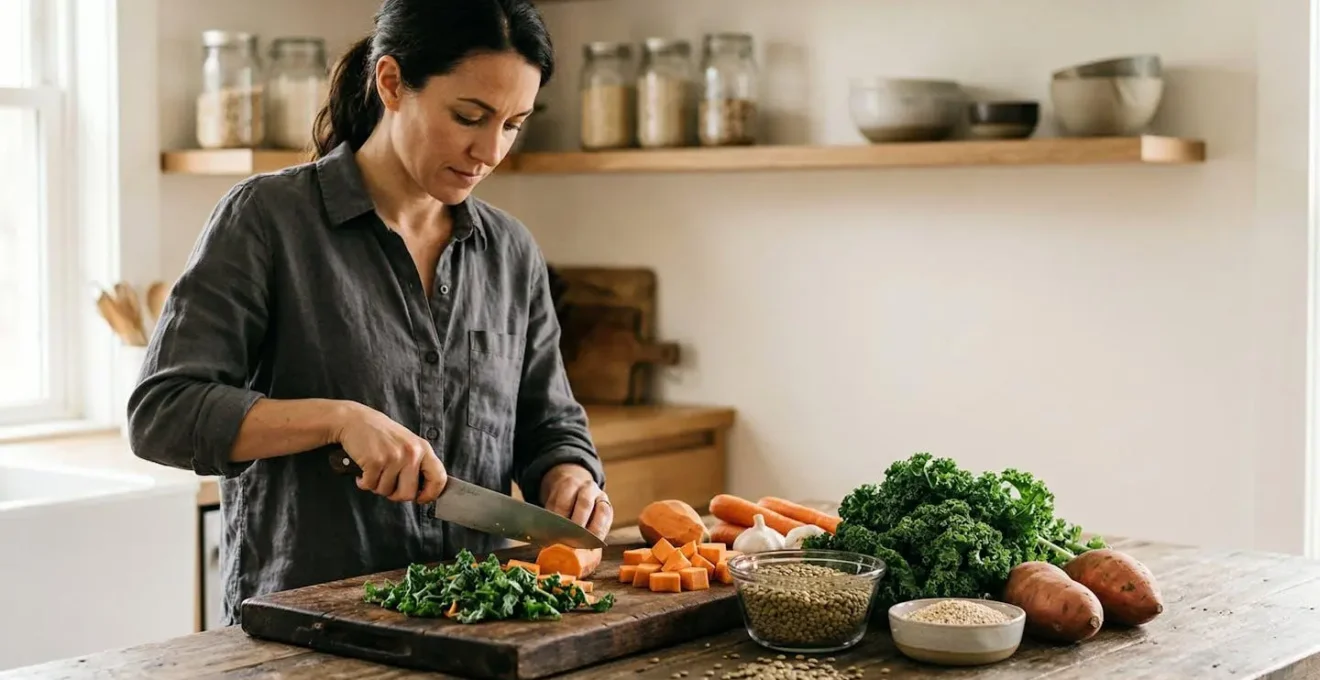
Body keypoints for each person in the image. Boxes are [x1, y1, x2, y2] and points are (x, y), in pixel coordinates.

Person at [127, 0, 611, 626]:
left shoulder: (511, 251)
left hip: (481, 626)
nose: (490, 150)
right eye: (469, 116)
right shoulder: (267, 220)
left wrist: (569, 478)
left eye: (514, 124)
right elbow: (162, 413)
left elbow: (550, 426)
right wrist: (338, 420)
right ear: (390, 83)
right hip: (303, 637)